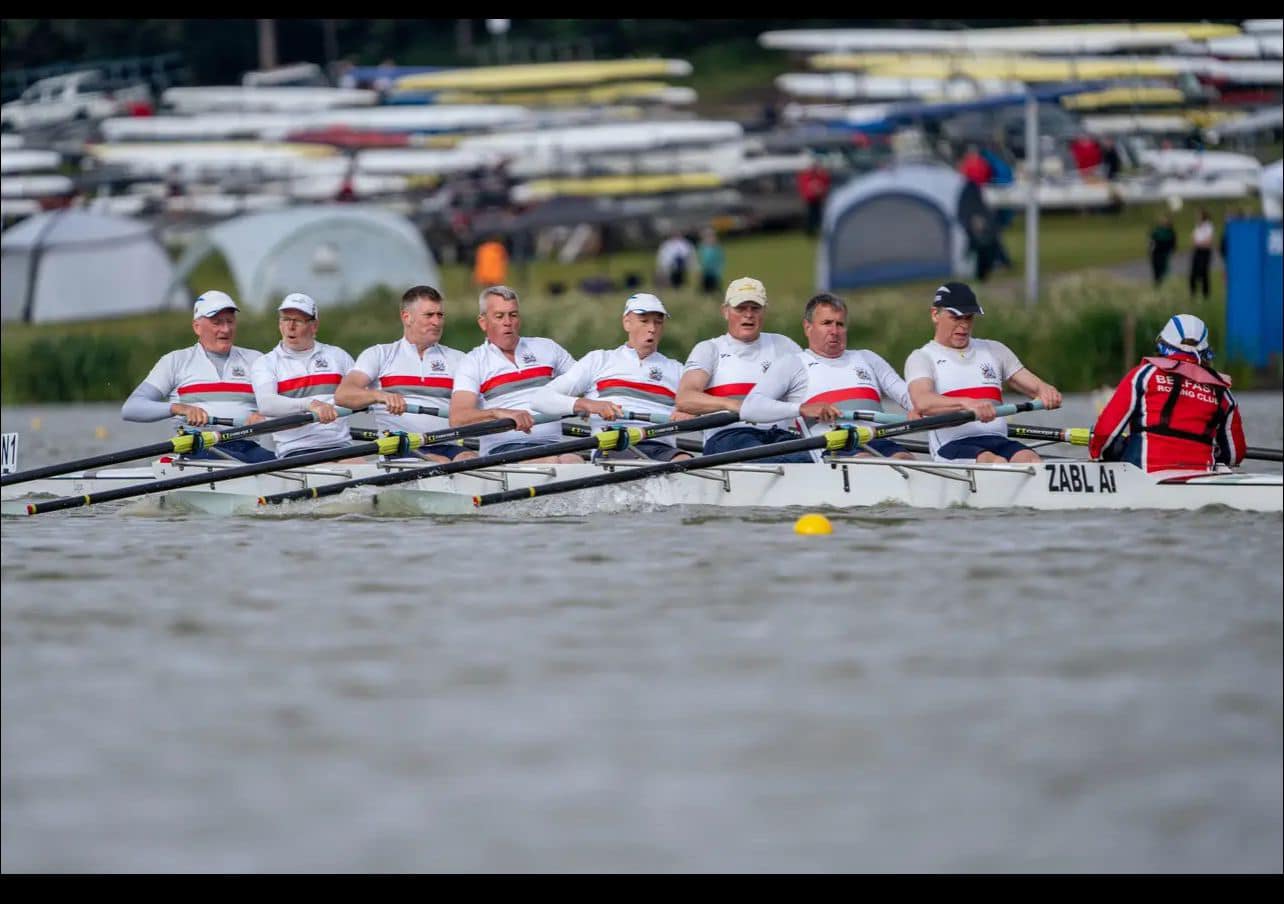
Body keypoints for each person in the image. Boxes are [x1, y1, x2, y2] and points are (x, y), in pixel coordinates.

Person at [741, 293, 915, 461]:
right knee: (866, 462)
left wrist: (919, 407)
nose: (834, 331)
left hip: (879, 440)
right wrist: (802, 409)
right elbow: (750, 407)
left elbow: (908, 396)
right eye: (827, 323)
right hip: (833, 447)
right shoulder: (792, 364)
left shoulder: (867, 358)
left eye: (840, 324)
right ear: (807, 327)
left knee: (907, 461)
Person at [904, 282, 1062, 463]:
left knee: (1030, 459)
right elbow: (923, 402)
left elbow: (1035, 387)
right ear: (935, 315)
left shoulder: (994, 350)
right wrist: (967, 403)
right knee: (994, 462)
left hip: (998, 441)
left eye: (969, 318)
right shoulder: (922, 357)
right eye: (956, 317)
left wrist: (1047, 390)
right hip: (953, 445)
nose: (964, 325)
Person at [530, 292, 691, 462]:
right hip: (614, 445)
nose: (652, 328)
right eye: (644, 321)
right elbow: (540, 399)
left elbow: (705, 408)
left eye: (658, 322)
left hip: (661, 447)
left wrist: (690, 414)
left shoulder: (678, 370)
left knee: (687, 462)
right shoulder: (599, 360)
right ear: (626, 323)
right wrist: (587, 405)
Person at [120, 290, 273, 463]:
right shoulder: (175, 361)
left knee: (277, 461)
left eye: (230, 321)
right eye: (217, 323)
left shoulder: (256, 360)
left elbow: (283, 404)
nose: (226, 329)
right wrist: (179, 409)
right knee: (237, 463)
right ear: (197, 327)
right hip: (198, 448)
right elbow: (131, 408)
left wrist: (264, 415)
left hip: (248, 447)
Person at [334, 285, 475, 463]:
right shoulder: (379, 355)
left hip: (446, 443)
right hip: (399, 446)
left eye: (440, 315)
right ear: (407, 317)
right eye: (429, 315)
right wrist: (379, 396)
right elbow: (343, 395)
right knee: (440, 461)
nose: (436, 322)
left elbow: (483, 404)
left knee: (471, 459)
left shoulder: (459, 359)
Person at [1089, 314, 1244, 472]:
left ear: (1163, 343)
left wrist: (1096, 454)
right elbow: (1234, 455)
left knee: (1110, 442)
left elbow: (1104, 434)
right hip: (1200, 479)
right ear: (1205, 352)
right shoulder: (1223, 393)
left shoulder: (1143, 376)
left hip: (1144, 479)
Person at [676, 276, 807, 462]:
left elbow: (812, 393)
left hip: (779, 437)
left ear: (765, 311)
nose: (748, 315)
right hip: (730, 436)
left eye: (755, 308)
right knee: (771, 459)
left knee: (817, 459)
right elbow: (685, 398)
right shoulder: (709, 349)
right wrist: (733, 405)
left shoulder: (784, 346)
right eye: (740, 308)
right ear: (725, 311)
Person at [449, 285, 580, 463]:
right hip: (504, 451)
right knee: (560, 463)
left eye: (513, 315)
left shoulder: (547, 348)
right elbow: (457, 418)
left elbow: (588, 384)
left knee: (573, 460)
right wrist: (497, 413)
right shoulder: (473, 362)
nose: (507, 322)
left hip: (553, 446)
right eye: (499, 316)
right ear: (483, 322)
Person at [249, 293, 355, 459]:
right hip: (296, 451)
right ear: (279, 324)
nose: (290, 326)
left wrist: (379, 397)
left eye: (298, 321)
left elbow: (363, 392)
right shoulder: (265, 363)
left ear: (314, 326)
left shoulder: (338, 356)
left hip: (341, 447)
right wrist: (310, 405)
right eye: (285, 319)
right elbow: (267, 404)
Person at [796, 159, 832, 236]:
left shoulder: (819, 175)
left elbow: (826, 181)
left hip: (817, 198)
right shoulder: (806, 176)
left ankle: (817, 229)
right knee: (811, 215)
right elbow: (804, 187)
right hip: (810, 198)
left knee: (818, 214)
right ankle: (810, 231)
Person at [1189, 208, 1214, 299]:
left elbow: (1208, 241)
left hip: (1205, 252)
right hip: (1197, 251)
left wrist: (1199, 243)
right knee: (1193, 273)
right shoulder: (1197, 226)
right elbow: (1193, 238)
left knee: (1204, 272)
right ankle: (1193, 293)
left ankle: (1205, 294)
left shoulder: (1208, 226)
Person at [1149, 214, 1177, 287]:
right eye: (1161, 220)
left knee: (1163, 267)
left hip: (1164, 252)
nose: (1163, 222)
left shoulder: (1170, 231)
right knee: (1156, 267)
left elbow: (1173, 242)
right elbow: (1151, 240)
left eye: (1164, 220)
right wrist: (1150, 249)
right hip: (1156, 252)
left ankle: (1161, 281)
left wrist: (1172, 250)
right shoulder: (1157, 230)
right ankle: (1157, 281)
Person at [696, 227, 725, 296]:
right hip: (705, 273)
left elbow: (721, 260)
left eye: (711, 236)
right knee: (705, 290)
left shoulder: (717, 248)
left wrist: (719, 270)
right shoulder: (702, 247)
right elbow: (700, 260)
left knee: (716, 289)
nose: (710, 238)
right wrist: (699, 271)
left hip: (714, 273)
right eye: (707, 236)